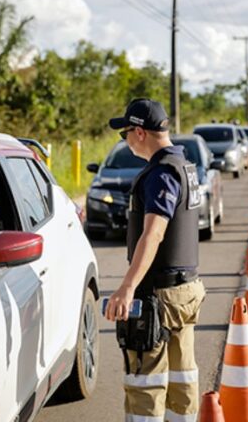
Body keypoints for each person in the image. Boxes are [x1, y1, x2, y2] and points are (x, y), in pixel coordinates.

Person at [105, 98, 206, 422]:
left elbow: (154, 234)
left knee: (144, 383)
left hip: (160, 296)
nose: (125, 140)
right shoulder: (184, 167)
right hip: (185, 292)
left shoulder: (161, 174)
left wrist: (127, 287)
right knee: (181, 379)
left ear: (138, 132)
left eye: (124, 134)